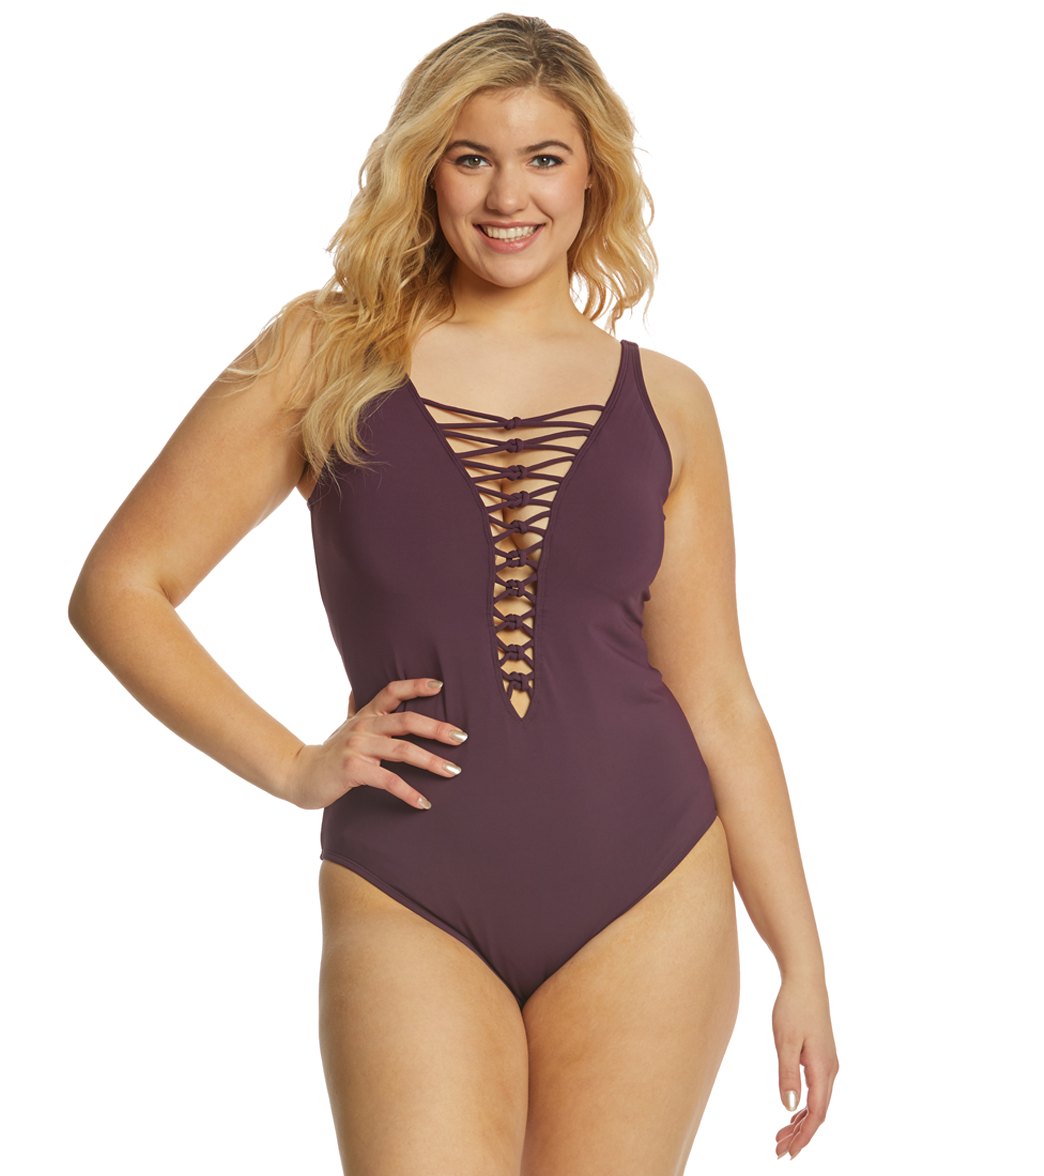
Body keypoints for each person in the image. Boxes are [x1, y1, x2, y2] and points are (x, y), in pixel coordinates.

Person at [69, 12, 839, 1173]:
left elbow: (718, 696)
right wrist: (293, 765)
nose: (507, 196)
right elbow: (122, 586)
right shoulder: (325, 354)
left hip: (649, 880)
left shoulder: (670, 401)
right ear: (425, 169)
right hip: (408, 881)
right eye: (472, 157)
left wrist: (802, 960)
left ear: (593, 177)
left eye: (545, 158)